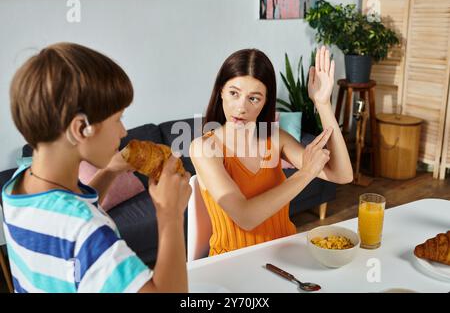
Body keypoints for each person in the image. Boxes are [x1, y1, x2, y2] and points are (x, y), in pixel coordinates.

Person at [2, 42, 191, 292]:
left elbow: (70, 211)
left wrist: (110, 172)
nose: (123, 131)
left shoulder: (19, 186)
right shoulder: (87, 232)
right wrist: (170, 216)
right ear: (81, 128)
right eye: (118, 119)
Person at [190, 46, 353, 256]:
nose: (241, 107)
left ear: (266, 101)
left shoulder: (275, 139)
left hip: (283, 255)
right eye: (234, 93)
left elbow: (342, 174)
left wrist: (322, 104)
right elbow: (245, 217)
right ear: (221, 91)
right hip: (233, 264)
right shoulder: (204, 148)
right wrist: (305, 174)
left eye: (254, 98)